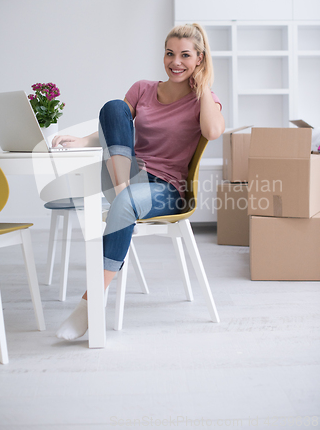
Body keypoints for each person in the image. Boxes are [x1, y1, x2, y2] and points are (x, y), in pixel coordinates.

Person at [53, 23, 225, 340]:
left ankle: (89, 304)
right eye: (170, 53)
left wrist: (204, 88)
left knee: (126, 202)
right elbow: (114, 126)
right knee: (115, 106)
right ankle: (123, 193)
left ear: (199, 59)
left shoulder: (204, 99)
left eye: (185, 55)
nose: (176, 62)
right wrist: (83, 141)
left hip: (167, 190)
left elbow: (213, 132)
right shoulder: (143, 89)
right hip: (127, 176)